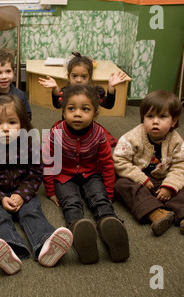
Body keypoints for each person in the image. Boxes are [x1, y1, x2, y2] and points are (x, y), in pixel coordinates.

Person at [0, 94, 72, 275]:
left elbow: (35, 174)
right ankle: (10, 249)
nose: (5, 129)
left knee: (32, 212)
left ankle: (46, 244)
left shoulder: (29, 145)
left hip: (23, 191)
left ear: (23, 125)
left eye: (11, 122)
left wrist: (21, 195)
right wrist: (0, 198)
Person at [113, 90, 184, 239]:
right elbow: (119, 160)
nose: (155, 121)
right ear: (143, 118)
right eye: (150, 116)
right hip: (137, 178)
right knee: (122, 185)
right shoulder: (131, 137)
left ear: (173, 120)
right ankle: (157, 213)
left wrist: (170, 186)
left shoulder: (175, 140)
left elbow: (182, 164)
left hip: (162, 177)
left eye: (162, 117)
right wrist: (139, 177)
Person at [43, 84, 129, 264]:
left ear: (95, 114)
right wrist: (51, 191)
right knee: (71, 203)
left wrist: (109, 192)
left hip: (91, 173)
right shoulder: (56, 132)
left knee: (99, 198)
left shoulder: (99, 134)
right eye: (71, 109)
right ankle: (80, 230)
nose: (77, 113)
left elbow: (106, 163)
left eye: (85, 109)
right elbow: (49, 162)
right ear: (64, 112)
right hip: (64, 176)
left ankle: (110, 224)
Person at [38, 51, 127, 147]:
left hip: (87, 128)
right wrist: (55, 89)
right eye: (74, 76)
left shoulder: (94, 93)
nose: (79, 80)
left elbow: (108, 105)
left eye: (84, 76)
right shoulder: (66, 92)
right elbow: (57, 104)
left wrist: (111, 89)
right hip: (68, 127)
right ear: (69, 77)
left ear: (89, 78)